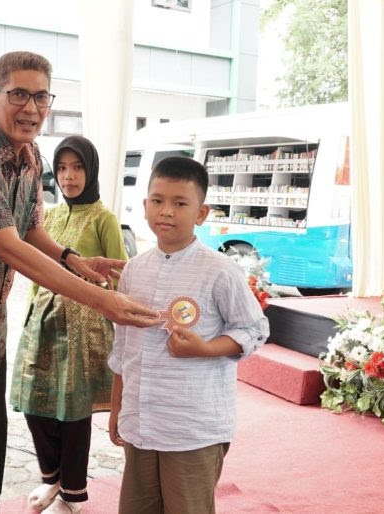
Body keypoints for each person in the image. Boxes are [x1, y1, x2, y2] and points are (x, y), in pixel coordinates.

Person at [0, 51, 157, 513]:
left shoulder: (28, 153)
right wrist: (104, 303)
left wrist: (75, 259)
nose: (31, 108)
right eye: (18, 94)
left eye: (41, 97)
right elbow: (9, 247)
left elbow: (30, 229)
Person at [108, 156, 269, 514]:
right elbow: (123, 346)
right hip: (142, 419)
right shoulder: (134, 270)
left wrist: (206, 348)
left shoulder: (219, 270)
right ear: (145, 204)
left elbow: (253, 329)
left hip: (192, 427)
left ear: (201, 212)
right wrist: (118, 405)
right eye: (157, 200)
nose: (166, 211)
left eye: (180, 203)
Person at [10, 135, 126, 514]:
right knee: (33, 403)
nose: (69, 176)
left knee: (72, 413)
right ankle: (52, 477)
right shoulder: (50, 216)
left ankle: (72, 494)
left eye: (77, 167)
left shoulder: (105, 219)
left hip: (83, 330)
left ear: (90, 171)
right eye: (62, 168)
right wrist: (31, 313)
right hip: (42, 324)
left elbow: (121, 276)